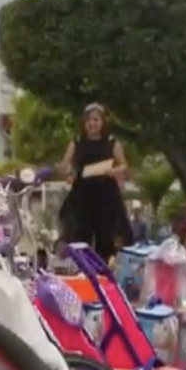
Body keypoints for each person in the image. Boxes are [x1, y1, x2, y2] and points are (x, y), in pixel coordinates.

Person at [57, 103, 132, 262]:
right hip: (83, 194)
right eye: (89, 121)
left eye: (96, 120)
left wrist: (114, 171)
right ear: (84, 124)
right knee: (80, 233)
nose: (92, 124)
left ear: (103, 122)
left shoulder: (112, 142)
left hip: (106, 194)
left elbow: (123, 165)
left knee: (105, 234)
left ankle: (104, 269)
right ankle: (83, 268)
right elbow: (63, 166)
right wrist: (68, 176)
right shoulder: (76, 142)